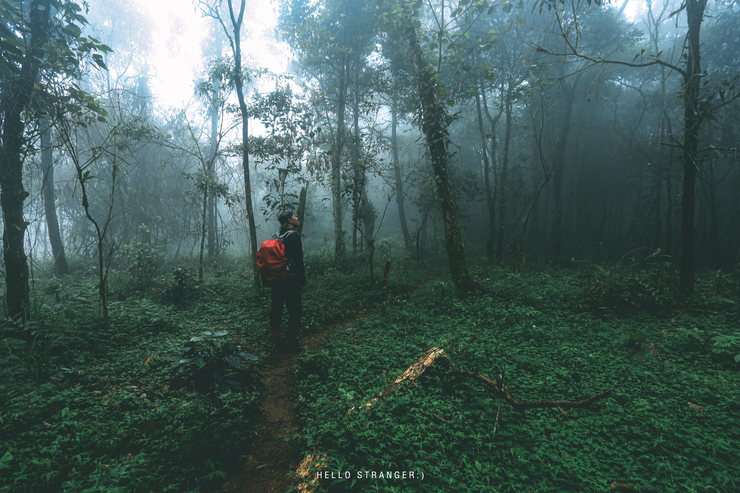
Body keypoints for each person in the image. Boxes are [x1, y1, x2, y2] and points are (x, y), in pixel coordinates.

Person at [269, 210, 308, 350]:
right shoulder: (294, 236)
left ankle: (277, 342)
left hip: (277, 279)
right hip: (291, 279)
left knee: (276, 309)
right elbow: (298, 261)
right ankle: (292, 342)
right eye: (294, 216)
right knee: (295, 309)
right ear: (290, 221)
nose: (297, 218)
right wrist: (303, 282)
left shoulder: (277, 235)